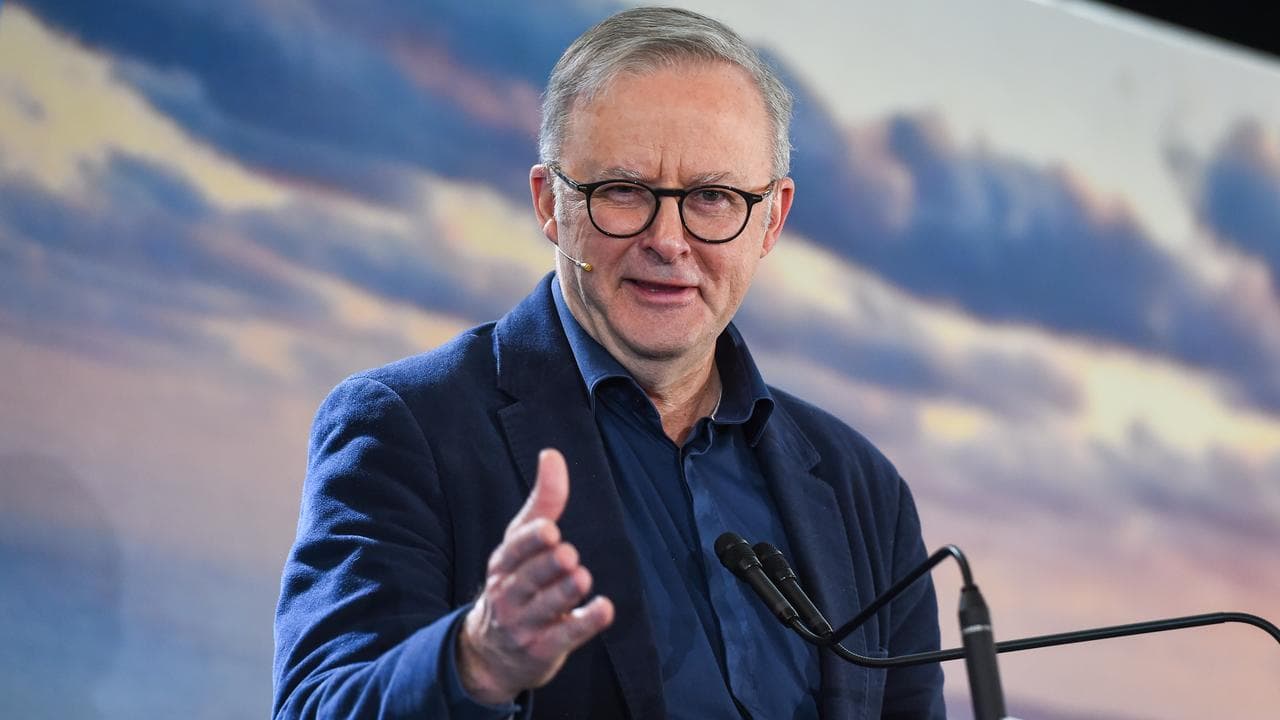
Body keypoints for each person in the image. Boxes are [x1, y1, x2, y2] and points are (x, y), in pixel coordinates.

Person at [273, 6, 944, 719]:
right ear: (549, 203)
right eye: (623, 191)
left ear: (771, 220)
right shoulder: (405, 426)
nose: (666, 239)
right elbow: (319, 704)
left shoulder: (861, 488)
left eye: (712, 198)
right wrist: (477, 660)